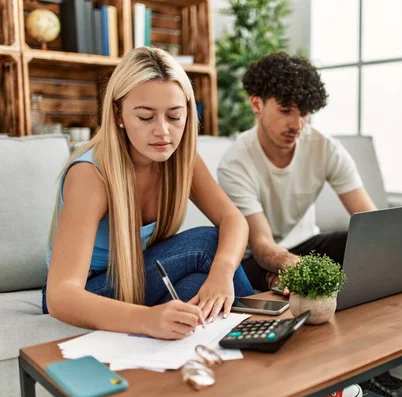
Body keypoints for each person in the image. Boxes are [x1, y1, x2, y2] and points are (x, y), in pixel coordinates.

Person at [43, 47, 254, 340]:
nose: (163, 132)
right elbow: (61, 296)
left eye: (174, 116)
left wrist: (222, 274)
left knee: (199, 288)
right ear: (118, 115)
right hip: (90, 291)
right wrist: (147, 319)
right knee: (207, 241)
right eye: (145, 117)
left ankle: (225, 369)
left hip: (138, 278)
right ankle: (265, 337)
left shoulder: (181, 158)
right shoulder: (90, 175)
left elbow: (233, 218)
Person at [217, 52, 377, 293]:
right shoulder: (235, 163)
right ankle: (278, 280)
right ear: (257, 104)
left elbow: (370, 220)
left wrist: (388, 247)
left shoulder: (326, 148)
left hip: (308, 245)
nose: (297, 125)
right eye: (285, 111)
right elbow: (261, 243)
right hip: (257, 258)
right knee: (241, 272)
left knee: (360, 240)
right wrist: (291, 265)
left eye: (304, 113)